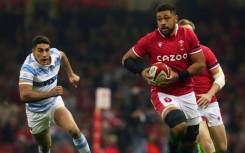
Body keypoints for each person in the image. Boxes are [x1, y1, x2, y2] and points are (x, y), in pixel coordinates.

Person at [122, 3, 205, 153]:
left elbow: (200, 64)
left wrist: (178, 76)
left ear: (175, 18)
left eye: (166, 18)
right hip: (163, 93)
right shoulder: (150, 39)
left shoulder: (188, 35)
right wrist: (141, 72)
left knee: (190, 141)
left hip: (186, 92)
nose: (163, 22)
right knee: (180, 127)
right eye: (159, 19)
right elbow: (126, 59)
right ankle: (171, 148)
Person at [18, 35, 91, 153]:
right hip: (36, 112)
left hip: (53, 104)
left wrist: (71, 74)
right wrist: (50, 93)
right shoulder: (28, 68)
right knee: (46, 146)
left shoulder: (54, 54)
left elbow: (62, 55)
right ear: (33, 51)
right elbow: (24, 96)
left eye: (46, 50)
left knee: (74, 130)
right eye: (40, 50)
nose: (45, 54)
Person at [178, 19, 227, 153]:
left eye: (190, 32)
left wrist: (209, 94)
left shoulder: (205, 52)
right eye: (184, 32)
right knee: (206, 143)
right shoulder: (174, 57)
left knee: (222, 148)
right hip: (191, 106)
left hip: (210, 103)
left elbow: (220, 77)